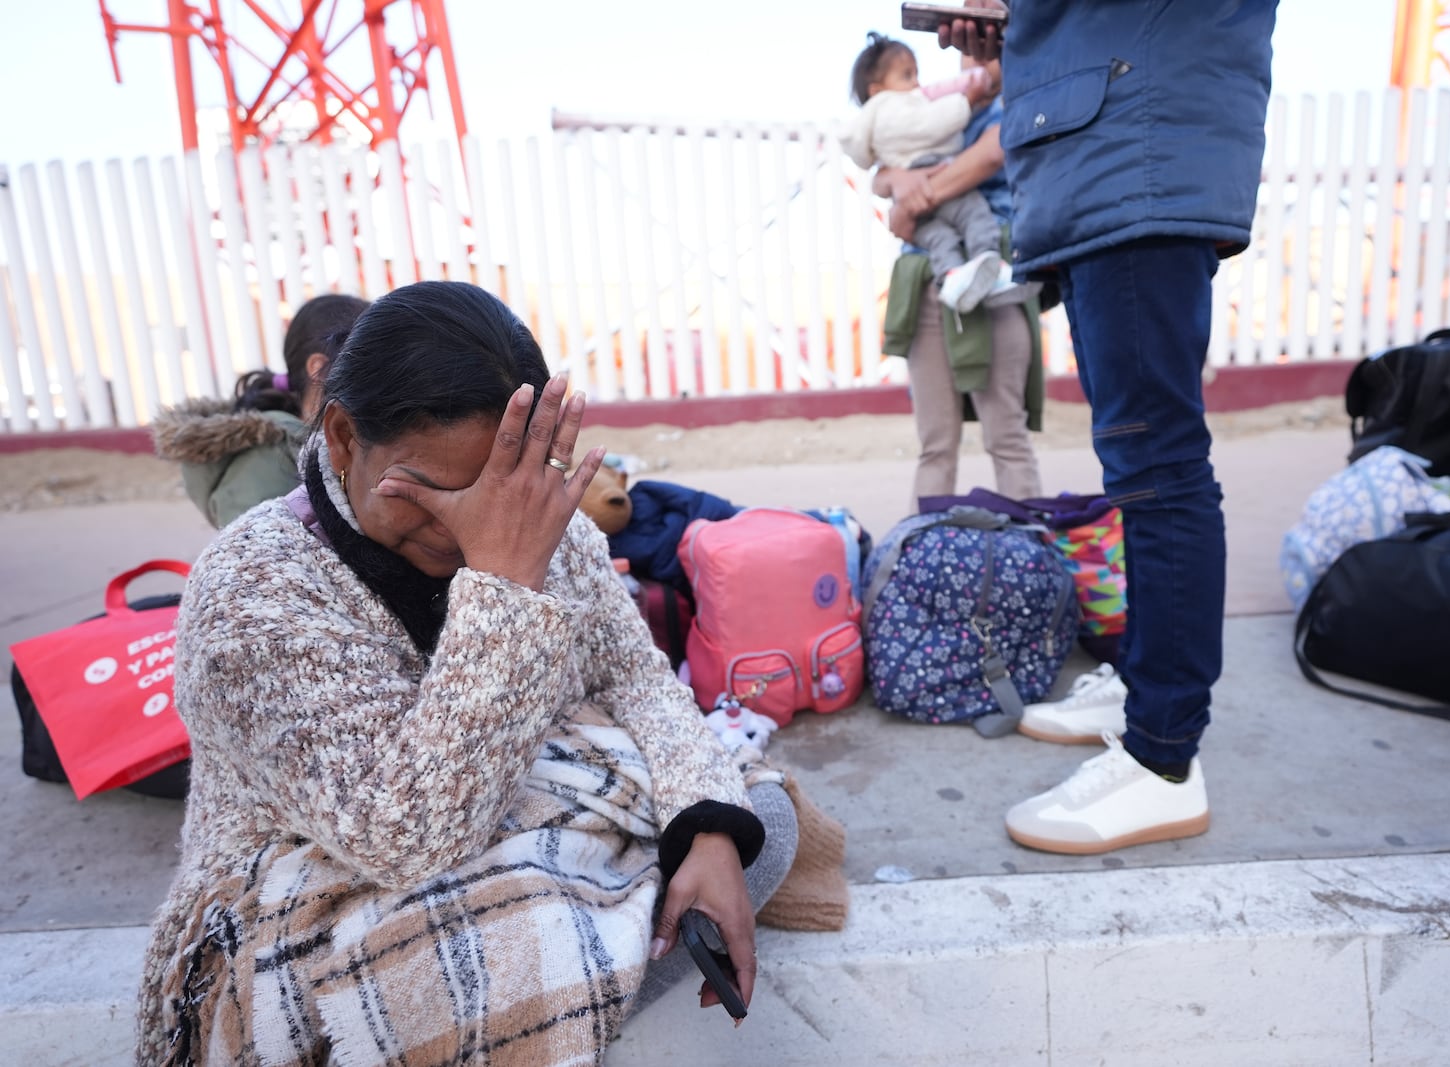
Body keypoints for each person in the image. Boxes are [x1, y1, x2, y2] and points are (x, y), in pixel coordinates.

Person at [135, 281, 796, 1065]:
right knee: (519, 944)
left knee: (758, 817)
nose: (468, 528)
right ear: (343, 437)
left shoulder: (541, 518)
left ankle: (592, 949)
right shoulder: (252, 589)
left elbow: (638, 679)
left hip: (492, 821)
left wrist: (706, 827)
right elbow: (403, 838)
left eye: (495, 488)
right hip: (303, 887)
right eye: (431, 491)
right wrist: (507, 580)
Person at [942, 2, 1278, 854]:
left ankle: (1163, 756)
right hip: (1112, 149)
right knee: (1138, 466)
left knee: (1161, 466)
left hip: (1143, 145)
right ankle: (1143, 684)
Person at [872, 50, 1044, 509]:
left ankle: (1029, 564)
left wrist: (910, 196)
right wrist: (892, 178)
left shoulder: (1025, 95)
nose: (970, 44)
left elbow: (993, 152)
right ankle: (921, 562)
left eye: (987, 29)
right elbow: (884, 162)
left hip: (995, 274)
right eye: (959, 33)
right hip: (927, 274)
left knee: (1006, 434)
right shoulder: (936, 109)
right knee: (935, 444)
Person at [150, 293, 369, 528]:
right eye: (364, 363)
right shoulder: (271, 451)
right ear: (317, 369)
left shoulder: (322, 439)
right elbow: (256, 550)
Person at [840, 32, 1010, 312]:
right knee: (961, 221)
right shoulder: (922, 109)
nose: (979, 56)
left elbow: (991, 154)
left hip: (938, 231)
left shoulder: (1002, 108)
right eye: (969, 47)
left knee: (944, 235)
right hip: (926, 257)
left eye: (993, 47)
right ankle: (974, 270)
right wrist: (896, 180)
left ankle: (957, 276)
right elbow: (883, 175)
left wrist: (907, 203)